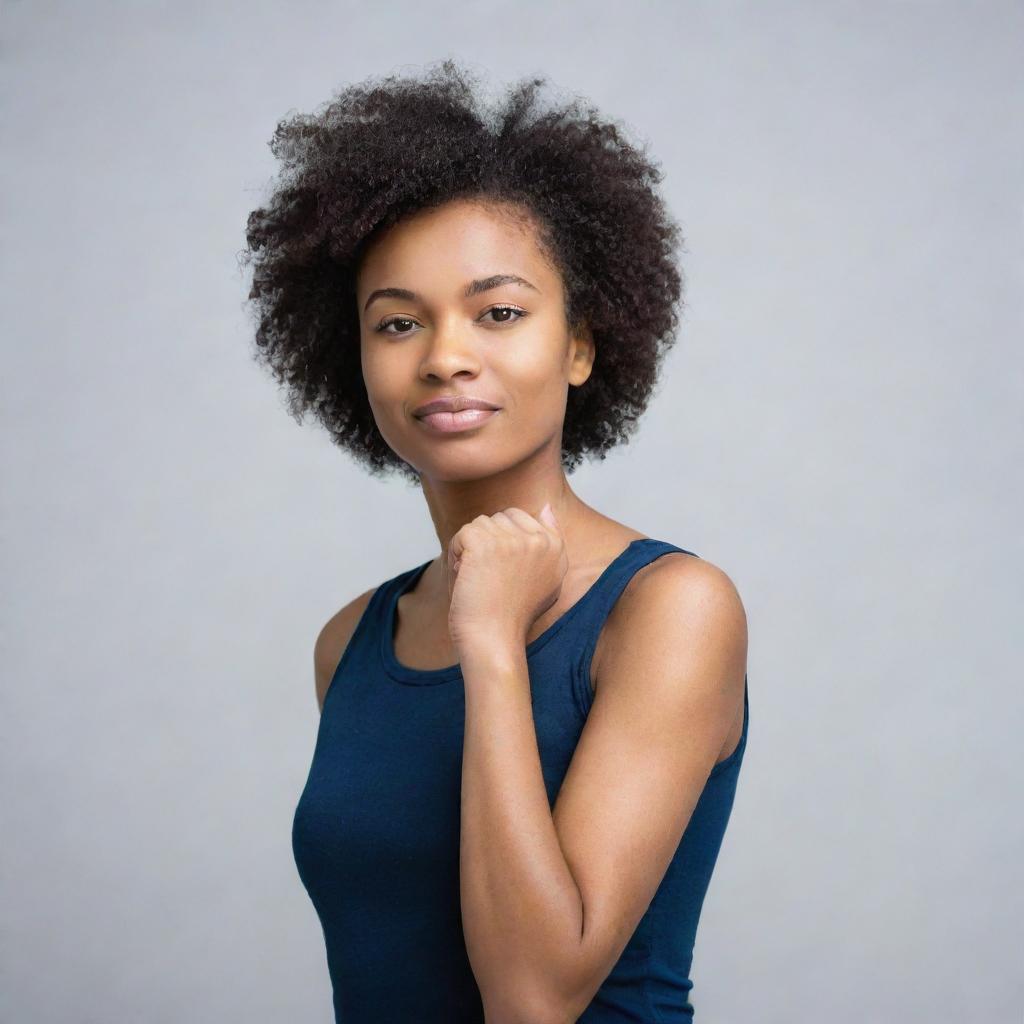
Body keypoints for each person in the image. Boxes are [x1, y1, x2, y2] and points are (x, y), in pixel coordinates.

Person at [240, 59, 749, 1024]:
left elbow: (532, 997)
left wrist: (491, 643)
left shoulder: (669, 609)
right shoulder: (351, 643)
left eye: (500, 312)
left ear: (582, 344)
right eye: (398, 323)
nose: (445, 356)